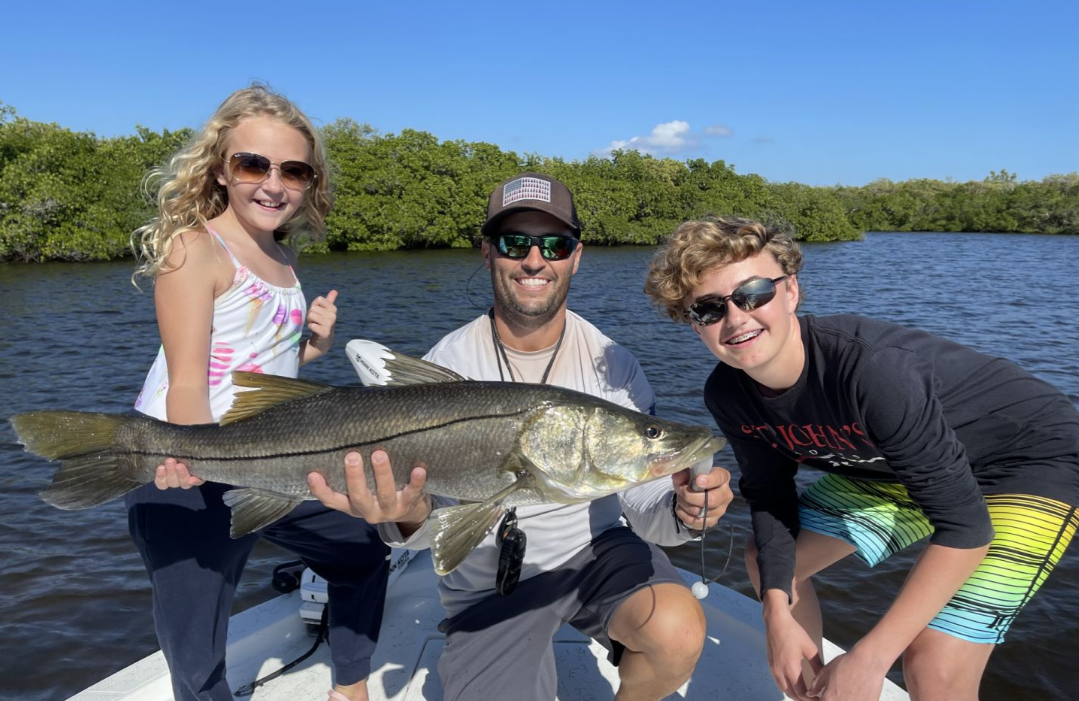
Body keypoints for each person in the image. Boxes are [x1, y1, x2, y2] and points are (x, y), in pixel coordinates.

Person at [309, 173, 735, 701]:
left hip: (597, 553)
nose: (535, 259)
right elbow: (427, 534)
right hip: (487, 580)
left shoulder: (613, 364)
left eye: (554, 243)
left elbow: (639, 499)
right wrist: (404, 513)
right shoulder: (449, 362)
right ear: (488, 253)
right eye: (516, 242)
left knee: (677, 629)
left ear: (575, 257)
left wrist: (681, 507)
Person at [643, 216, 1079, 701]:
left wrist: (871, 657)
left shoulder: (871, 370)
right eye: (708, 309)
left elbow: (966, 526)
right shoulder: (727, 393)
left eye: (754, 293)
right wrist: (775, 616)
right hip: (897, 466)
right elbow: (770, 497)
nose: (737, 318)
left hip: (1023, 461)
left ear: (790, 292)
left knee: (933, 662)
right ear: (693, 324)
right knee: (770, 567)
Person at [127, 84, 389, 701]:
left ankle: (350, 686)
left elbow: (252, 367)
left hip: (276, 462)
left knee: (363, 549)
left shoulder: (281, 256)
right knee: (196, 650)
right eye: (253, 164)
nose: (273, 184)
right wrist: (189, 458)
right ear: (222, 168)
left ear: (309, 182)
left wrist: (312, 351)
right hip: (181, 465)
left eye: (293, 170)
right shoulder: (195, 248)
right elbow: (189, 380)